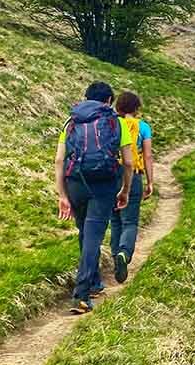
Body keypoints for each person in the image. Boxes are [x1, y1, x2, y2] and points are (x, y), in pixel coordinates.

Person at [54, 81, 134, 314]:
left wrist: (62, 195)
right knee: (93, 237)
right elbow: (128, 162)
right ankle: (81, 294)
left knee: (85, 234)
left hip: (75, 183)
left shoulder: (71, 122)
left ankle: (95, 282)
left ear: (86, 98)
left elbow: (59, 160)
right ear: (109, 101)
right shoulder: (117, 122)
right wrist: (125, 190)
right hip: (104, 185)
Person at [109, 91, 154, 282]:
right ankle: (124, 254)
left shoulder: (111, 124)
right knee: (130, 221)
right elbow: (148, 156)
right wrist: (150, 181)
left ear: (118, 107)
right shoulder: (143, 127)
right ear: (136, 108)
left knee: (115, 220)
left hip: (110, 175)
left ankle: (114, 260)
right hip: (132, 174)